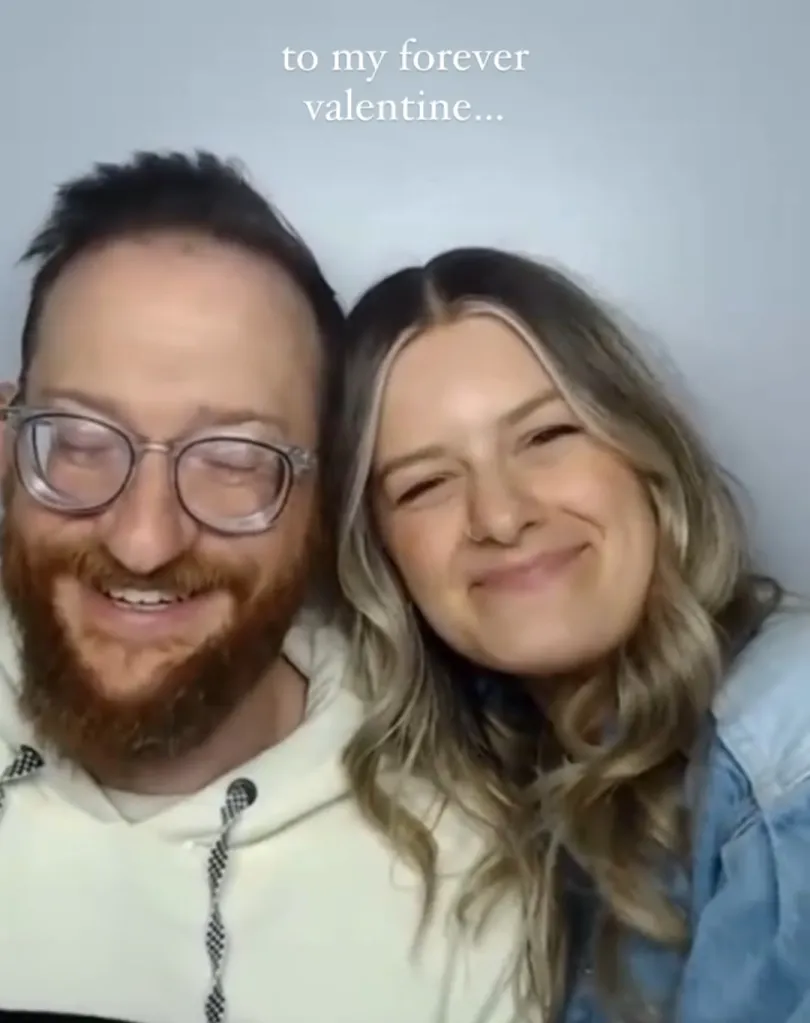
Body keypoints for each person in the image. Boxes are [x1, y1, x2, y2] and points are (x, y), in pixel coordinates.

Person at [0, 157, 522, 1023]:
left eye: (236, 461)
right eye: (82, 439)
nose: (142, 539)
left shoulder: (462, 892)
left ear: (326, 498)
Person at [327, 245, 810, 1023]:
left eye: (546, 436)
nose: (502, 515)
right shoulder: (514, 791)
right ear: (382, 559)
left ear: (642, 453)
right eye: (425, 483)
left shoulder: (790, 745)